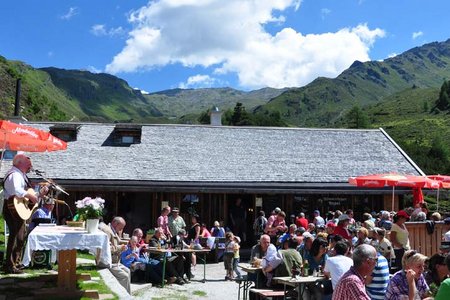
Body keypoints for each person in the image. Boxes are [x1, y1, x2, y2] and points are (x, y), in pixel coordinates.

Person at [2, 154, 46, 274]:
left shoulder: (21, 175)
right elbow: (16, 191)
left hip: (17, 208)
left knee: (20, 236)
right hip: (12, 208)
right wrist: (30, 195)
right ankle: (9, 265)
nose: (30, 166)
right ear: (19, 163)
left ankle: (15, 262)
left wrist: (39, 194)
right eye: (28, 163)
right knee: (16, 236)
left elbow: (28, 196)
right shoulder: (14, 174)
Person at [98, 216, 131, 294]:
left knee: (128, 271)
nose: (121, 230)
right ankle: (123, 296)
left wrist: (123, 245)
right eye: (120, 228)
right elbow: (106, 248)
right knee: (124, 277)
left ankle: (127, 294)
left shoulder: (113, 230)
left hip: (116, 261)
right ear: (115, 223)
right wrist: (119, 248)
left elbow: (116, 242)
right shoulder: (107, 230)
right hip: (109, 262)